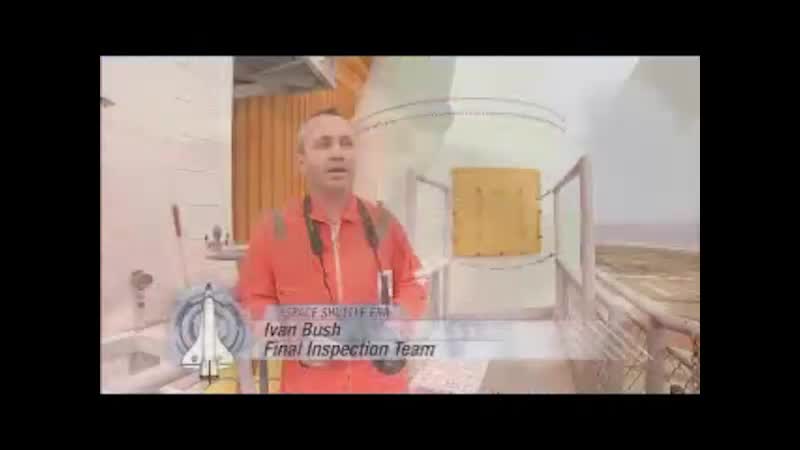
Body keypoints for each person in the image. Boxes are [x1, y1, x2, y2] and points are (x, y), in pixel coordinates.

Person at [237, 108, 428, 393]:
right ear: (301, 162)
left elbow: (413, 282)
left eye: (346, 143)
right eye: (324, 144)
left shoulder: (385, 223)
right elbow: (252, 302)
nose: (337, 153)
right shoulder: (272, 229)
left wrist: (396, 322)